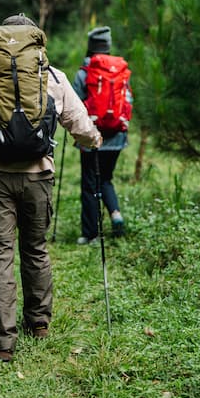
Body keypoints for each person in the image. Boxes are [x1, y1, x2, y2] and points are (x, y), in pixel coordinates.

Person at [0, 14, 102, 363]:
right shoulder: (51, 76)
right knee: (35, 249)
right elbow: (78, 123)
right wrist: (93, 140)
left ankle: (3, 343)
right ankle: (39, 323)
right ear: (36, 42)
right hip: (39, 176)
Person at [73, 26, 131, 245]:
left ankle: (91, 234)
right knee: (106, 178)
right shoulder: (121, 71)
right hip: (116, 136)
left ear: (90, 47)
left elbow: (75, 106)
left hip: (91, 137)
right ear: (108, 46)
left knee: (89, 184)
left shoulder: (84, 73)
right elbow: (128, 102)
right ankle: (115, 214)